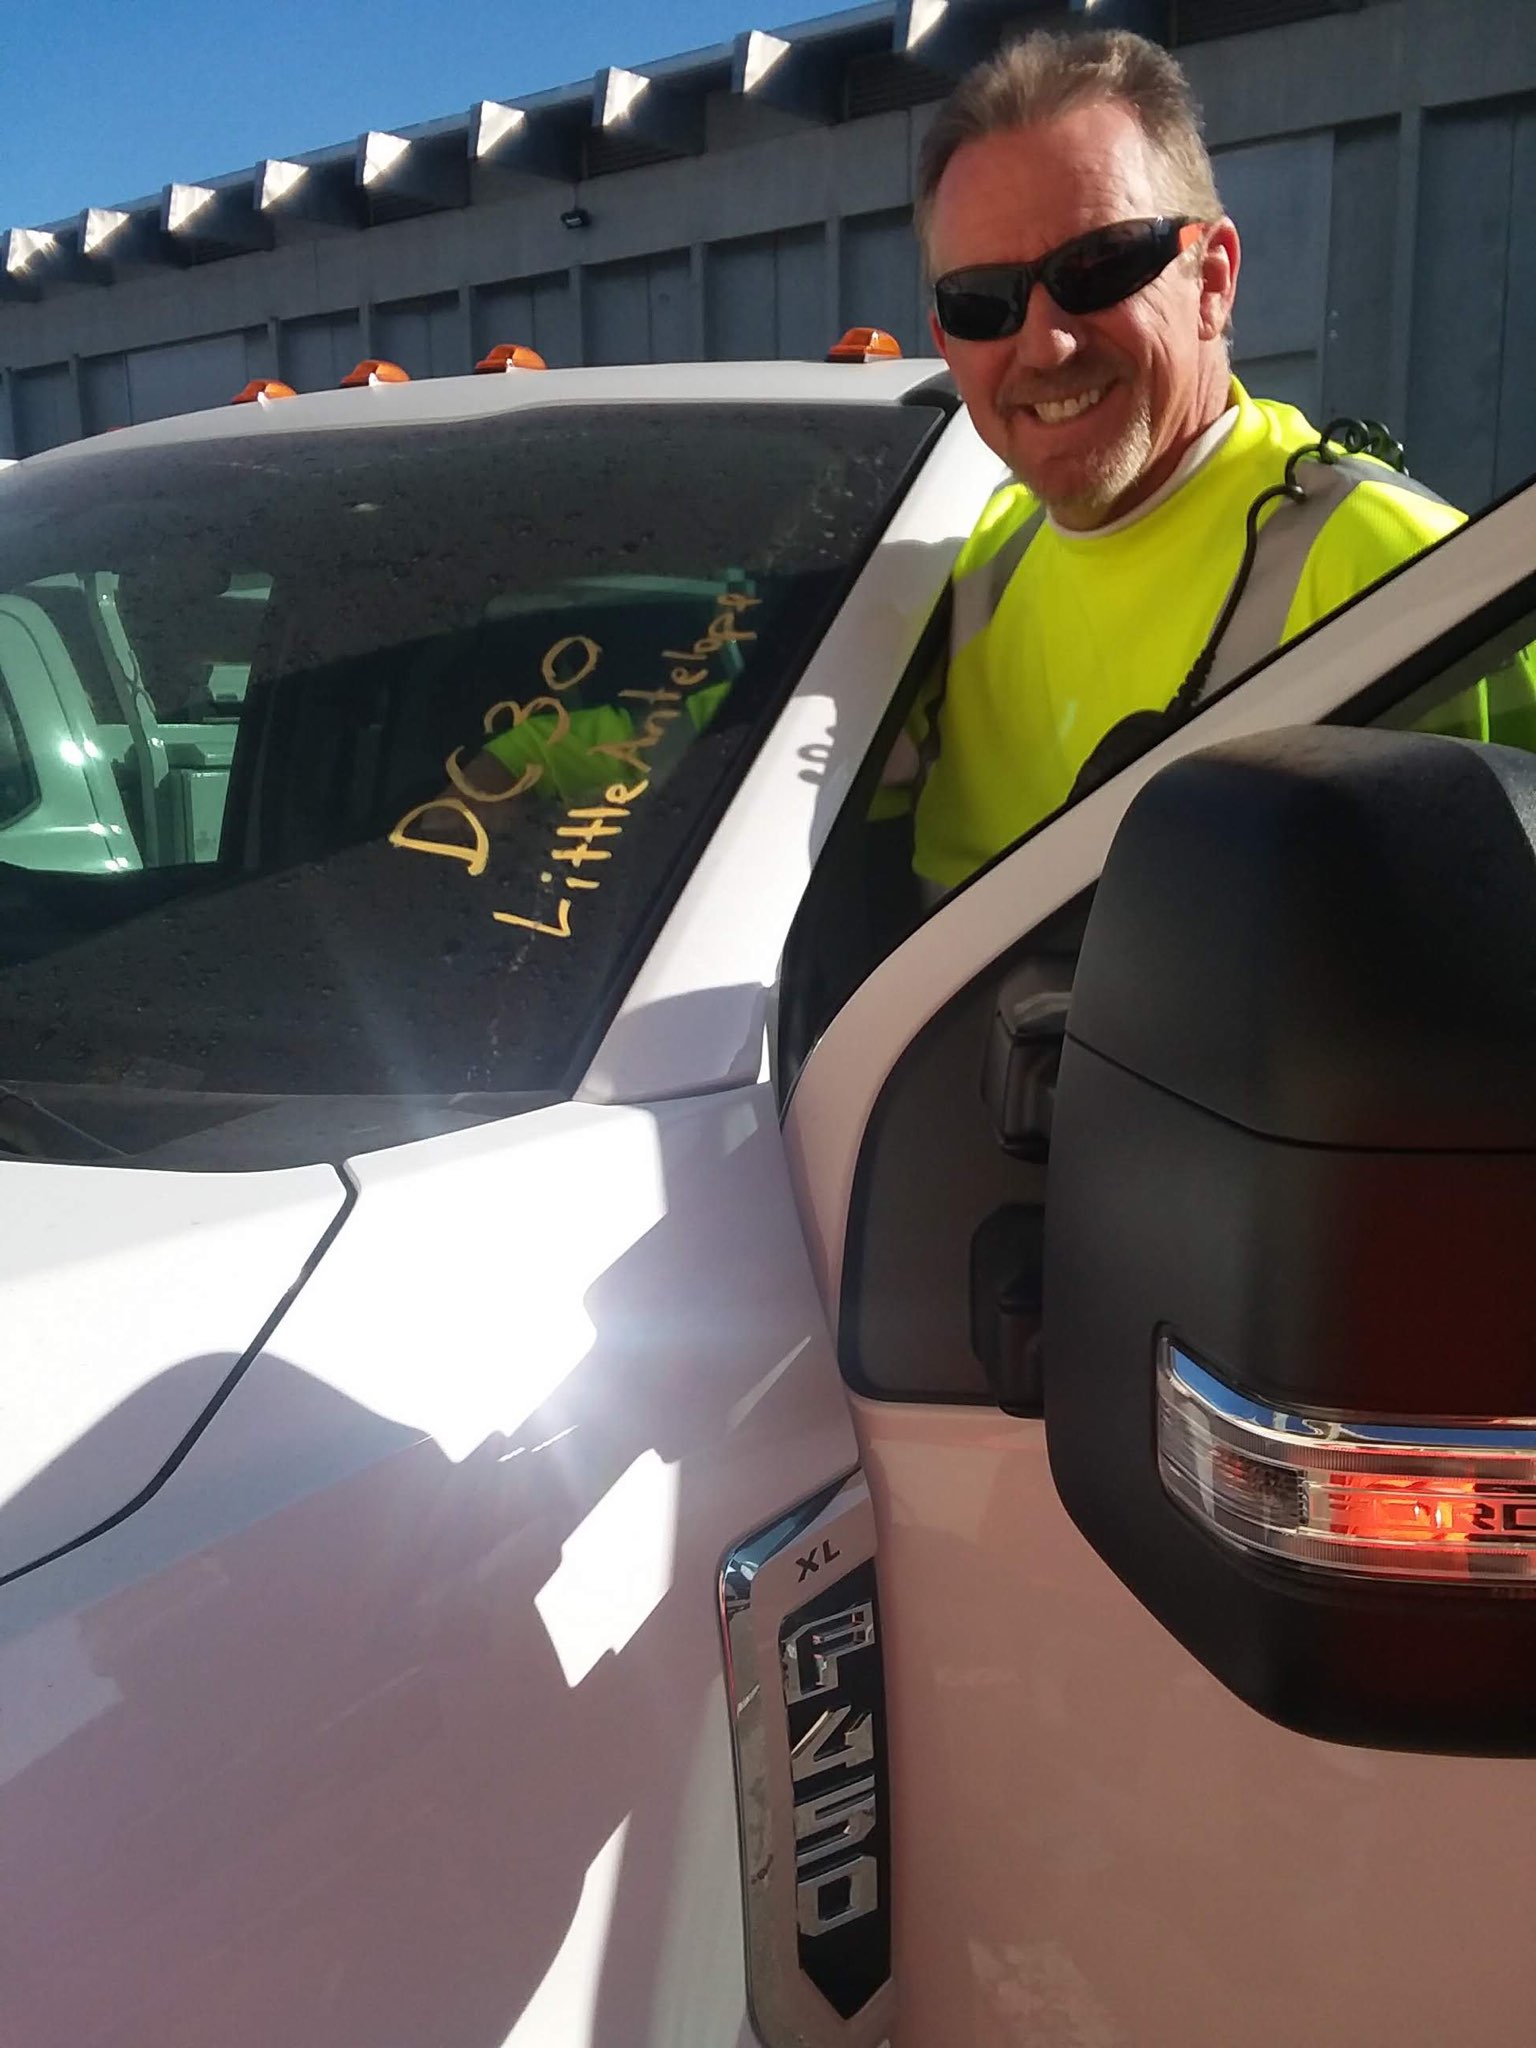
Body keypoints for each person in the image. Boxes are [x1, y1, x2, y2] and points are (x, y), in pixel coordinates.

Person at [895, 27, 1527, 894]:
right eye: (982, 302)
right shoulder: (947, 569)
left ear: (1214, 276)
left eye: (1101, 265)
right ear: (945, 340)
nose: (1043, 343)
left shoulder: (1406, 577)